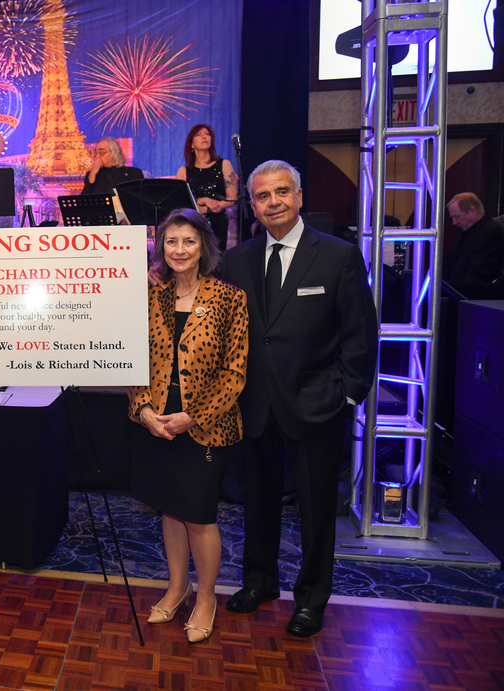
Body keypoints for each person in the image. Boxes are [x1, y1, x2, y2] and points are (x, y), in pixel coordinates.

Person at [222, 160, 378, 637]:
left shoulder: (338, 256)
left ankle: (311, 599)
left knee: (314, 512)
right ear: (253, 204)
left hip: (317, 405)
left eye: (282, 192)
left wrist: (348, 393)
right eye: (264, 196)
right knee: (258, 504)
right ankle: (261, 582)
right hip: (255, 406)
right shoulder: (238, 260)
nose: (274, 202)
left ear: (300, 196)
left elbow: (361, 332)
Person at [128, 208, 248, 644]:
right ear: (162, 247)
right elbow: (133, 361)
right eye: (171, 241)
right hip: (157, 422)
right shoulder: (151, 298)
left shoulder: (230, 298)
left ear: (205, 248)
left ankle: (207, 597)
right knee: (170, 507)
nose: (179, 249)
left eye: (189, 241)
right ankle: (178, 588)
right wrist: (143, 410)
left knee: (198, 515)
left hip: (204, 425)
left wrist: (193, 415)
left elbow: (235, 373)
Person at [176, 124, 237, 251]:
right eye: (199, 135)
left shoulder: (224, 164)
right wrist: (201, 201)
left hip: (218, 220)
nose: (204, 137)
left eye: (207, 134)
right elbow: (180, 202)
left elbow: (233, 198)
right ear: (191, 144)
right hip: (193, 222)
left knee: (216, 260)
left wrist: (216, 206)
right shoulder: (184, 171)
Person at [444, 192, 504, 299]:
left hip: (473, 299)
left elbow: (480, 274)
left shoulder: (491, 232)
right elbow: (452, 261)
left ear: (472, 211)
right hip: (460, 294)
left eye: (457, 217)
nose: (454, 222)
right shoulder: (467, 230)